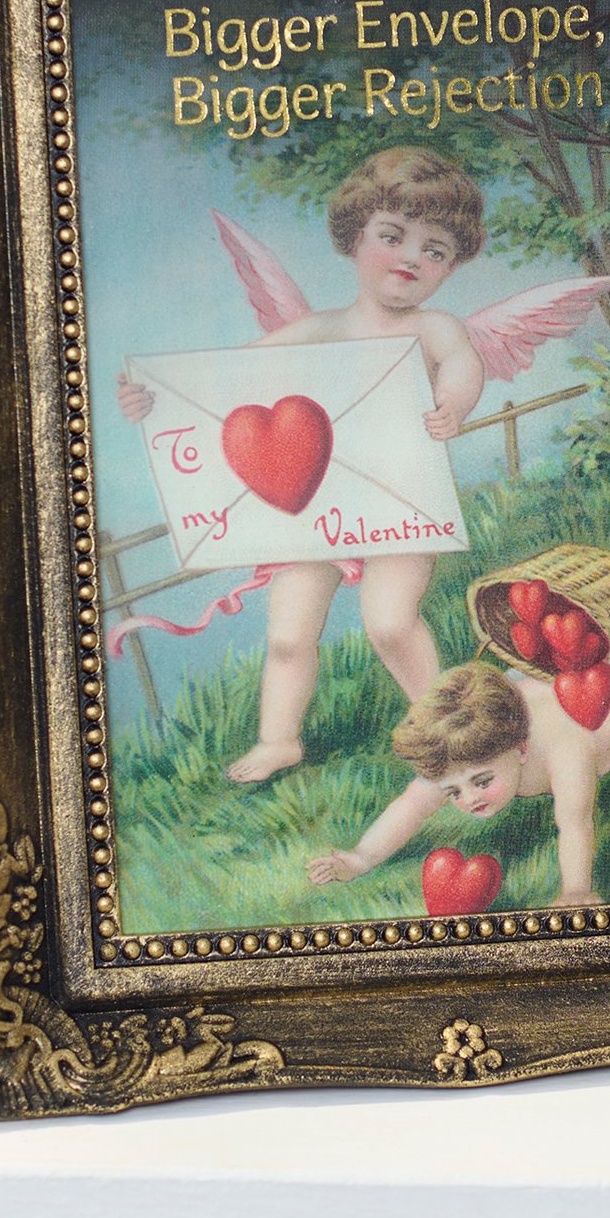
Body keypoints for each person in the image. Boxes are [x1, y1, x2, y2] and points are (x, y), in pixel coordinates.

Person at [119, 147, 489, 780]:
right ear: (354, 238)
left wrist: (453, 403)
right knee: (289, 637)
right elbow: (221, 378)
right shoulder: (319, 330)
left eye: (434, 251)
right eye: (392, 236)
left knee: (391, 623)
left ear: (451, 267)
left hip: (399, 501)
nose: (410, 258)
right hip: (311, 503)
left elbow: (462, 363)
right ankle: (279, 740)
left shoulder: (434, 327)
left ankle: (443, 727)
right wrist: (153, 400)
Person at [307, 517, 610, 908]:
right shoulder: (465, 749)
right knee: (600, 627)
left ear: (521, 748)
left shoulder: (563, 753)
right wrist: (359, 858)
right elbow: (412, 804)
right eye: (453, 792)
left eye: (481, 782)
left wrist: (576, 890)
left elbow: (575, 822)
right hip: (588, 675)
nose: (469, 799)